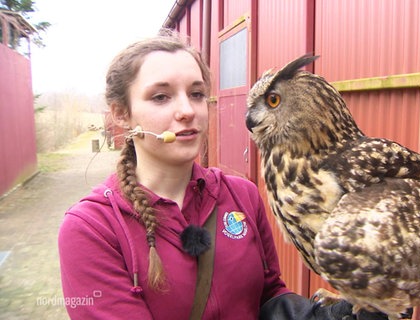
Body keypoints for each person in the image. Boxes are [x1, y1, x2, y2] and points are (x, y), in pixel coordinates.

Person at [58, 30, 400, 320]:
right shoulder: (92, 228)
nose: (187, 111)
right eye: (161, 97)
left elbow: (267, 298)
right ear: (121, 113)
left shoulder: (241, 195)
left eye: (196, 94)